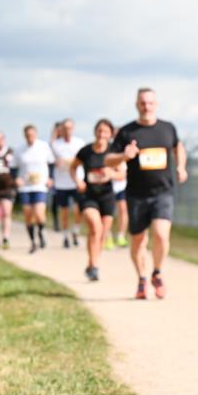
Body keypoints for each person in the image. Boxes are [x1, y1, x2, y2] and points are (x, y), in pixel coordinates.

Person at [104, 87, 187, 299]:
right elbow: (107, 160)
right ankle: (141, 279)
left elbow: (178, 147)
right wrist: (124, 155)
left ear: (156, 104)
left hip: (163, 192)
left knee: (160, 234)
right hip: (136, 194)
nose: (146, 106)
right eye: (142, 103)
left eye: (150, 102)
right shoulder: (127, 132)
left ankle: (157, 273)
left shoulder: (167, 128)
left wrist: (181, 167)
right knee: (139, 240)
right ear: (136, 105)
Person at [71, 119, 126, 281]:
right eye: (99, 131)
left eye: (106, 132)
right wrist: (78, 181)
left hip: (107, 196)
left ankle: (92, 263)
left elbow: (122, 174)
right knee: (95, 227)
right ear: (95, 132)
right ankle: (94, 265)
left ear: (110, 134)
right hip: (88, 195)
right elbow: (73, 167)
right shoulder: (86, 151)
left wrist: (111, 174)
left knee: (102, 234)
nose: (102, 134)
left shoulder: (113, 152)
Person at [12, 124, 55, 253]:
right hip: (25, 186)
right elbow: (13, 167)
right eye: (27, 135)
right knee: (28, 215)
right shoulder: (19, 149)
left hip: (40, 185)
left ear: (36, 134)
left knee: (39, 214)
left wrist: (50, 178)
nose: (30, 137)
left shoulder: (43, 146)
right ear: (24, 136)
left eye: (32, 135)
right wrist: (16, 178)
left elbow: (51, 163)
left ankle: (41, 232)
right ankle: (33, 242)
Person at [51, 118, 86, 249]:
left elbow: (84, 160)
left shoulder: (79, 143)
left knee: (79, 209)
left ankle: (76, 231)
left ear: (73, 128)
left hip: (77, 181)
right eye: (65, 128)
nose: (67, 130)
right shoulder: (55, 144)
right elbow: (50, 159)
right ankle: (65, 236)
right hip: (62, 183)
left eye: (70, 128)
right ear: (61, 130)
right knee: (64, 211)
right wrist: (57, 162)